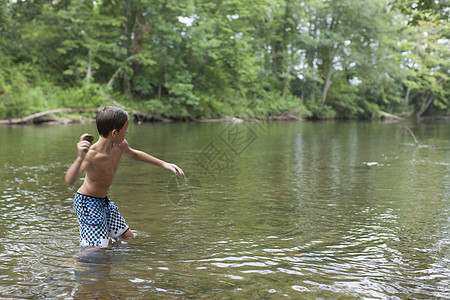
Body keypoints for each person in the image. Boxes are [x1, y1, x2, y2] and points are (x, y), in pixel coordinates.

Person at [65, 106, 184, 248]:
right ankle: (74, 262)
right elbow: (70, 180)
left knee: (128, 237)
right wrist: (79, 158)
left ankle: (110, 248)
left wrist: (164, 164)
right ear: (114, 132)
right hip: (88, 203)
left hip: (103, 202)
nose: (127, 133)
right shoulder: (91, 155)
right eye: (125, 130)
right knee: (97, 249)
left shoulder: (120, 145)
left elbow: (134, 154)